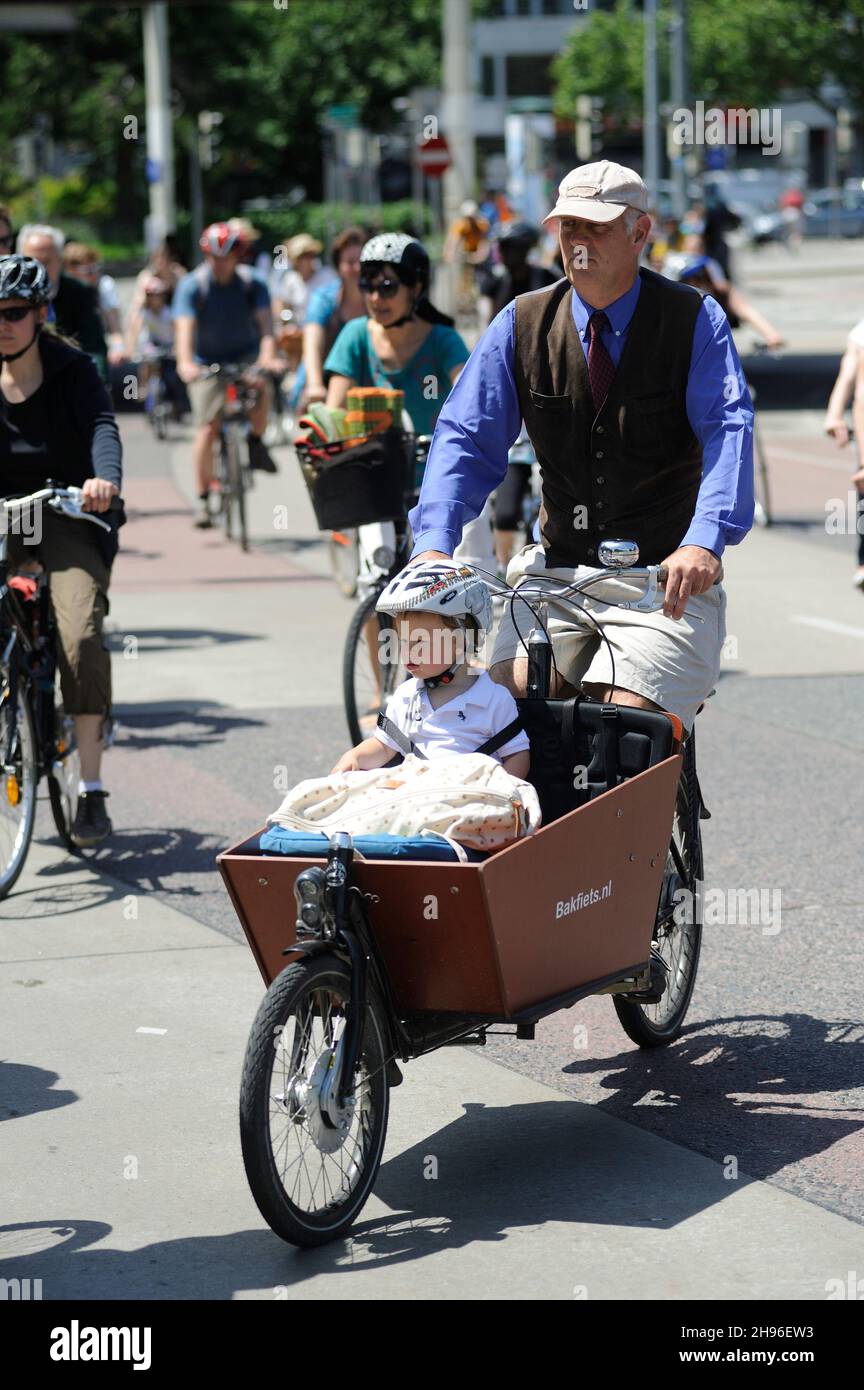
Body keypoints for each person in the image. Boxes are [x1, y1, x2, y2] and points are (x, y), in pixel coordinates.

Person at [406, 159, 755, 737]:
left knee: (618, 724)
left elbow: (729, 428)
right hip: (557, 575)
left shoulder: (694, 319)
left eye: (595, 226)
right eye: (568, 226)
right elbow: (466, 437)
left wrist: (705, 541)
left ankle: (641, 818)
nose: (577, 241)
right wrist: (431, 548)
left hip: (663, 585)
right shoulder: (522, 322)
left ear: (640, 233)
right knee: (496, 715)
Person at [0, 254, 124, 846]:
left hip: (69, 511)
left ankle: (93, 790)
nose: (3, 324)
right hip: (5, 519)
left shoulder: (72, 368)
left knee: (79, 634)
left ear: (40, 314)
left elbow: (103, 426)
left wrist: (104, 481)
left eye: (15, 313)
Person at [332, 563, 530, 779]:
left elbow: (517, 755)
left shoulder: (494, 699)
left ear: (461, 641)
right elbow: (384, 746)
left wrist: (503, 789)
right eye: (402, 641)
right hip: (419, 800)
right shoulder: (405, 696)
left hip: (474, 799)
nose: (407, 652)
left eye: (419, 642)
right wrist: (356, 757)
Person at [172, 221, 283, 528]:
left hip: (245, 356)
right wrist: (185, 362)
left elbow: (266, 327)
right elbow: (184, 327)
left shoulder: (253, 283)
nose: (220, 264)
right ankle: (204, 498)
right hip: (205, 362)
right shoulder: (194, 285)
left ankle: (257, 443)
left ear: (238, 257)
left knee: (261, 390)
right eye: (213, 257)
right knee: (207, 428)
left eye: (226, 257)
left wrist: (267, 356)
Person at [17, 224, 108, 377]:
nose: (39, 269)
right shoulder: (9, 297)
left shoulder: (80, 292)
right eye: (32, 261)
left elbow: (94, 346)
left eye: (47, 261)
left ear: (60, 261)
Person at [300, 226, 366, 408]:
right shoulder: (324, 299)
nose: (358, 268)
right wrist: (314, 384)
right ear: (339, 267)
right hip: (322, 383)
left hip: (366, 390)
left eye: (362, 261)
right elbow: (312, 344)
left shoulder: (380, 298)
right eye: (350, 261)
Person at [663, 251, 785, 349]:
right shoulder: (669, 305)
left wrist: (771, 335)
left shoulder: (723, 291)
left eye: (701, 277)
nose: (696, 283)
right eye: (687, 280)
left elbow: (746, 310)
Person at [477, 221, 559, 330]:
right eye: (502, 247)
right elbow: (486, 320)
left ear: (525, 249)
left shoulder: (546, 278)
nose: (504, 253)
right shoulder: (494, 280)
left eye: (511, 247)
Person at [62, 241, 126, 366]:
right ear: (70, 271)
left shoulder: (104, 286)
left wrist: (118, 348)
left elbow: (115, 330)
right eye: (88, 272)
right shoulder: (61, 292)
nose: (94, 276)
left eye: (96, 269)